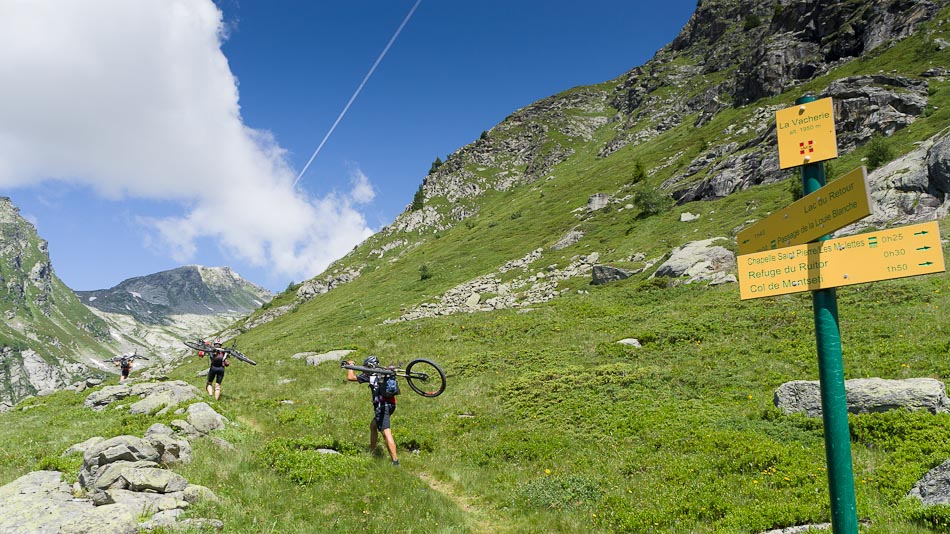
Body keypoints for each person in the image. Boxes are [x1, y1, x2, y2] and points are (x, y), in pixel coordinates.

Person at [345, 356, 399, 466]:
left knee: (386, 432)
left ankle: (395, 461)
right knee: (373, 426)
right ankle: (372, 451)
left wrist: (350, 366)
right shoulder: (384, 372)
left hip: (381, 406)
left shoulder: (369, 376)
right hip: (391, 404)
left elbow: (351, 377)